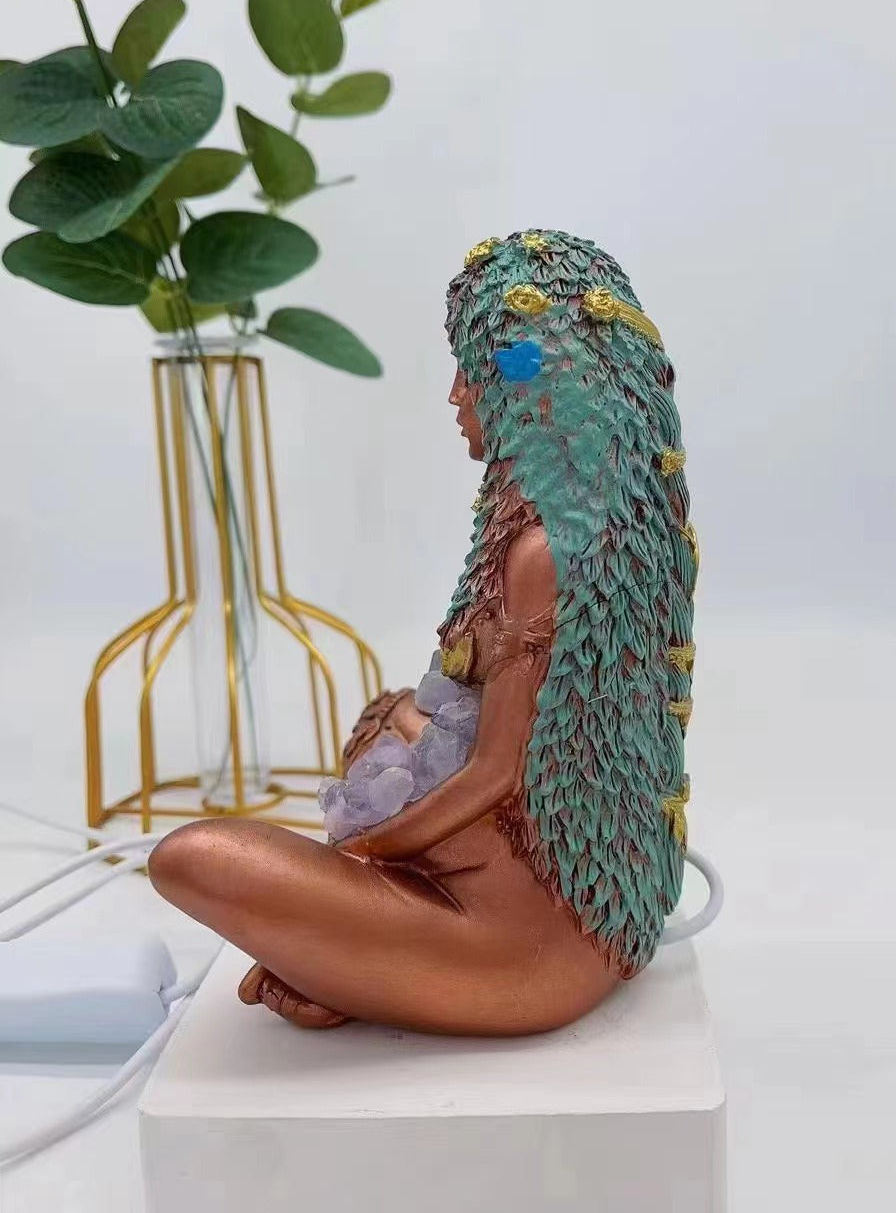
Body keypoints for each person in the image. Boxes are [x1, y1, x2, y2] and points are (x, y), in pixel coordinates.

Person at [149, 230, 697, 1036]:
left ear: (535, 386)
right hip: (523, 885)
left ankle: (366, 961)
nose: (454, 395)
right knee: (391, 714)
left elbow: (496, 773)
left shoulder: (544, 554)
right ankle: (364, 960)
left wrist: (352, 860)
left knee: (190, 859)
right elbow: (465, 725)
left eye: (475, 371)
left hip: (527, 949)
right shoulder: (548, 528)